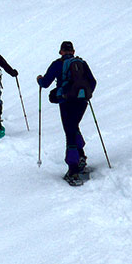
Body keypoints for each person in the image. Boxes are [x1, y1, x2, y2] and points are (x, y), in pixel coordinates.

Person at [37, 41, 97, 185]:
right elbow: (93, 82)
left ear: (61, 51)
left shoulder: (58, 64)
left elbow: (45, 83)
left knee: (70, 131)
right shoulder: (82, 63)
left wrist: (39, 79)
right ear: (73, 51)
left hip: (66, 102)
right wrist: (84, 94)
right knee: (73, 127)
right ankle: (81, 156)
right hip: (82, 102)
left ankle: (73, 169)